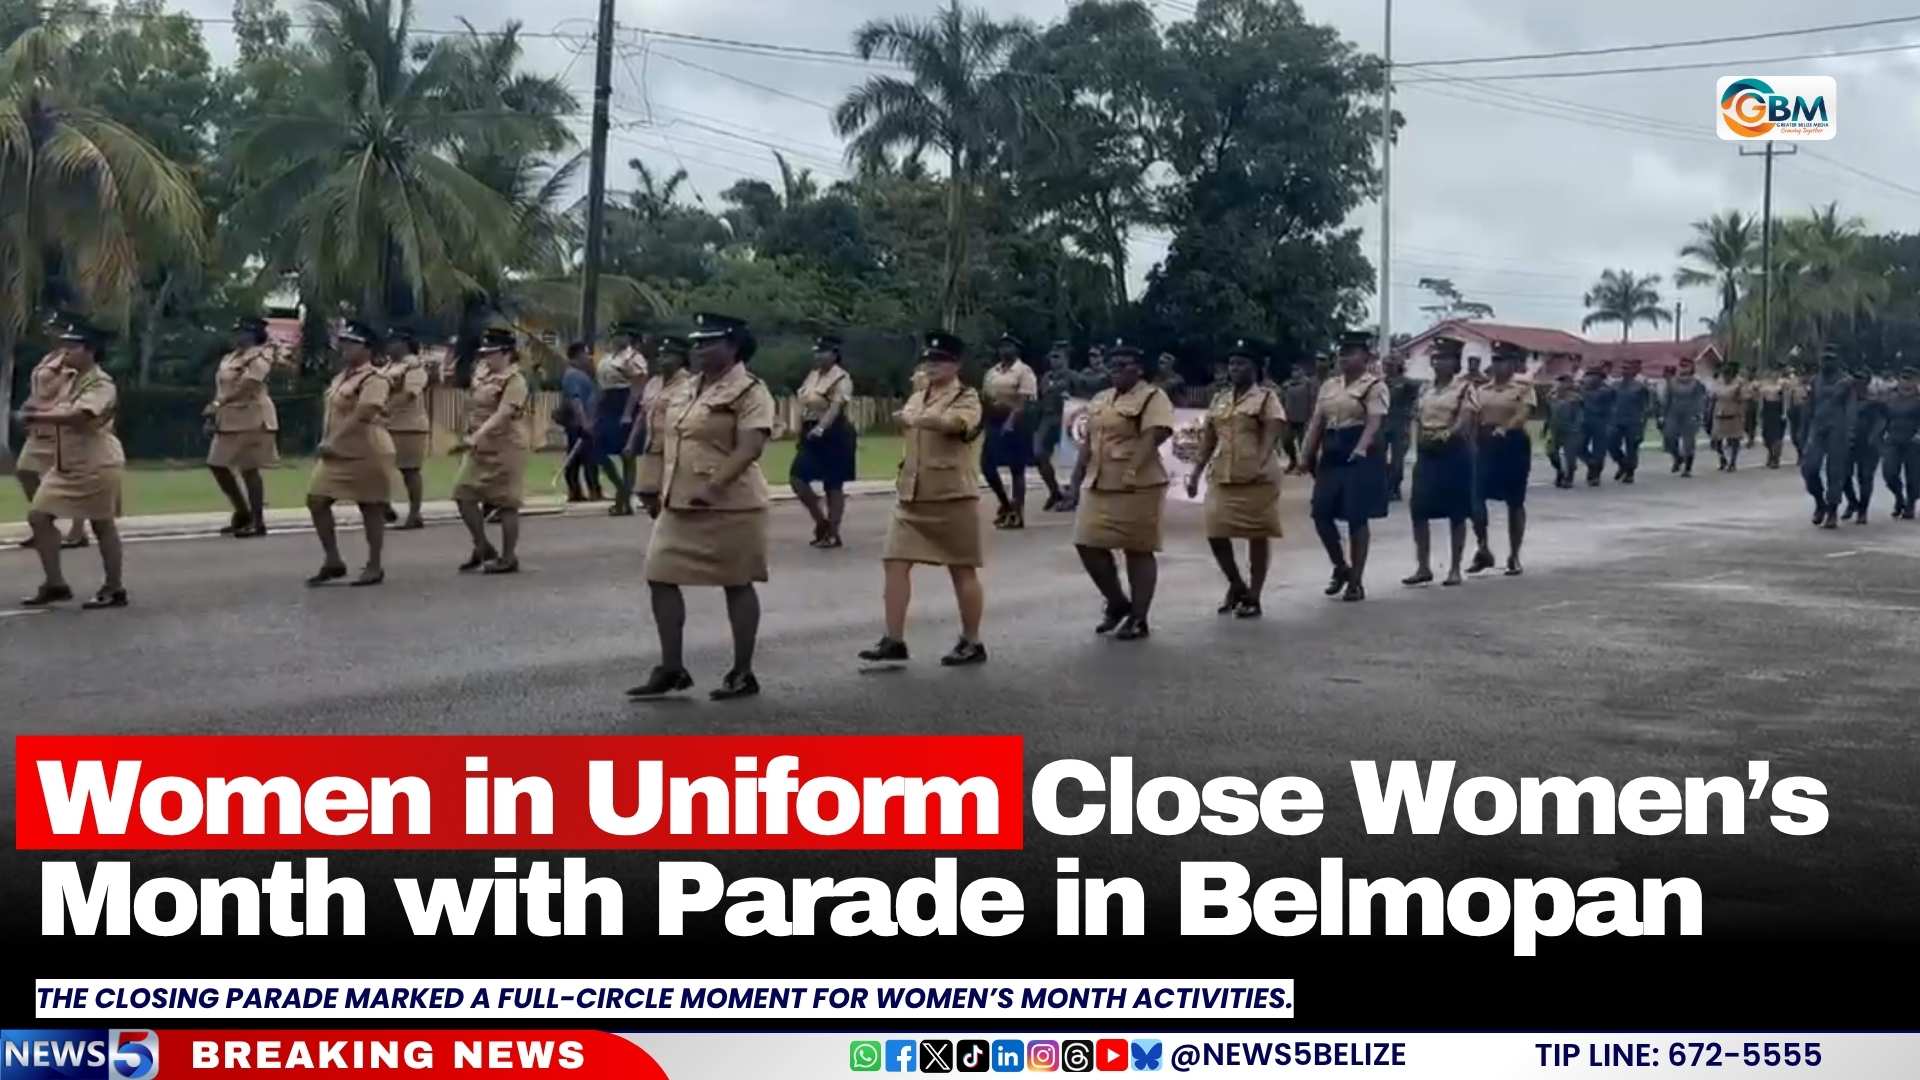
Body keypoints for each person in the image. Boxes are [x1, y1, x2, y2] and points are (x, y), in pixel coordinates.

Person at [629, 313, 776, 701]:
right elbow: (669, 440)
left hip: (732, 506)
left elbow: (750, 447)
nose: (698, 349)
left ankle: (742, 672)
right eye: (696, 342)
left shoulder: (751, 390)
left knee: (737, 583)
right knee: (659, 574)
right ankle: (672, 668)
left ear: (733, 346)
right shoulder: (686, 388)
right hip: (679, 502)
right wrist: (652, 484)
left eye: (708, 342)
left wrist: (714, 487)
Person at [860, 331, 988, 666]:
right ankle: (893, 639)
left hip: (952, 495)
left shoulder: (966, 397)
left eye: (940, 361)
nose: (932, 366)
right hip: (912, 494)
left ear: (956, 365)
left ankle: (972, 640)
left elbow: (957, 425)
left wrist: (919, 419)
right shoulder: (918, 396)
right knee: (894, 561)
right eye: (929, 360)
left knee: (961, 568)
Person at [17, 316, 127, 609]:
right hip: (66, 465)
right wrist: (33, 408)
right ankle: (55, 584)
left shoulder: (101, 384)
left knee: (102, 525)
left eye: (73, 346)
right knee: (39, 517)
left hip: (97, 465)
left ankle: (114, 587)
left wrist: (37, 417)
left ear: (90, 351)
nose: (65, 351)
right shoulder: (69, 379)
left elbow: (80, 416)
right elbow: (53, 404)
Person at [1068, 340, 1175, 639]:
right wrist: (1075, 479)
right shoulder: (1101, 398)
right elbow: (1088, 441)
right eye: (1113, 365)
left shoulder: (1152, 396)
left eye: (1123, 365)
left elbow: (1155, 434)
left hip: (1138, 484)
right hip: (1099, 481)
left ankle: (1139, 618)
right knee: (1086, 542)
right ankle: (1116, 602)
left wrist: (1132, 469)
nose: (1116, 370)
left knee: (1137, 549)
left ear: (1138, 369)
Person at [1186, 339, 1285, 617]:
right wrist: (1195, 473)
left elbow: (1272, 434)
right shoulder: (1220, 399)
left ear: (1255, 368)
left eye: (1241, 363)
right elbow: (1208, 440)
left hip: (1257, 477)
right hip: (1223, 475)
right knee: (1215, 531)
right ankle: (1236, 584)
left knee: (1257, 535)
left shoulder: (1266, 398)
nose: (1235, 368)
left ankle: (1254, 595)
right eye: (1231, 363)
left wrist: (1260, 463)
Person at [1302, 331, 1389, 602]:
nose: (1344, 358)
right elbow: (1317, 422)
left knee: (1356, 516)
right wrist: (1306, 454)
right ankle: (1340, 566)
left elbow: (1374, 422)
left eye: (1351, 352)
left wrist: (1361, 447)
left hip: (1359, 451)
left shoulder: (1374, 386)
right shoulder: (1330, 386)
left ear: (1366, 356)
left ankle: (1356, 582)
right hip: (1333, 449)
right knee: (1321, 512)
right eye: (1341, 352)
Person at [305, 320, 393, 587]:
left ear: (367, 348)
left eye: (352, 343)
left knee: (370, 506)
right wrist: (327, 440)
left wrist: (334, 439)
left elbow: (364, 413)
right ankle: (333, 560)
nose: (345, 348)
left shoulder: (375, 379)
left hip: (367, 450)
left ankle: (374, 564)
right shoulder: (341, 378)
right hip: (336, 452)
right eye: (343, 342)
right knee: (317, 499)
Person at [450, 327, 531, 573]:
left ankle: (508, 557)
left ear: (506, 353)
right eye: (484, 353)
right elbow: (474, 407)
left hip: (506, 447)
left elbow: (503, 413)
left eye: (491, 353)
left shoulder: (515, 380)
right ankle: (483, 546)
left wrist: (477, 435)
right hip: (479, 447)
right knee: (463, 493)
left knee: (507, 503)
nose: (486, 357)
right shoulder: (482, 375)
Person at [1403, 337, 1477, 586]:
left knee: (1457, 512)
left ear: (1455, 362)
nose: (1438, 363)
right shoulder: (1425, 389)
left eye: (1444, 358)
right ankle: (1423, 566)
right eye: (1435, 358)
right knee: (1419, 509)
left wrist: (1449, 433)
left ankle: (1455, 568)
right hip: (1427, 452)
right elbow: (1416, 416)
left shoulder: (1464, 388)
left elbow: (1465, 418)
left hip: (1453, 452)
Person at [204, 316, 284, 538]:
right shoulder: (230, 357)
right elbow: (222, 388)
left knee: (249, 469)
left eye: (242, 332)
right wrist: (214, 414)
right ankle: (242, 512)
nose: (237, 336)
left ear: (253, 335)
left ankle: (257, 521)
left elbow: (250, 384)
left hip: (253, 417)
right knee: (216, 464)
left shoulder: (260, 356)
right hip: (229, 419)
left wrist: (219, 403)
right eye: (236, 331)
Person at [13, 337, 91, 551]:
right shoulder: (49, 358)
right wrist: (29, 405)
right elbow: (39, 390)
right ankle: (45, 525)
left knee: (73, 482)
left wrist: (42, 412)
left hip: (60, 429)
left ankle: (78, 532)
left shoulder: (73, 363)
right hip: (39, 430)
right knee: (25, 471)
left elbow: (70, 395)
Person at [790, 334, 857, 548]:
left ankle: (833, 532)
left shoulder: (841, 378)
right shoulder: (812, 376)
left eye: (823, 352)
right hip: (810, 431)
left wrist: (821, 428)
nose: (818, 356)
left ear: (835, 354)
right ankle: (821, 521)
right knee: (797, 478)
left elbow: (836, 408)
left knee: (833, 483)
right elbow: (803, 403)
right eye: (816, 352)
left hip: (834, 433)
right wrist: (799, 429)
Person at [1473, 342, 1533, 577]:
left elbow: (1523, 413)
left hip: (1512, 444)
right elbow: (1474, 414)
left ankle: (1514, 555)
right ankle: (1483, 548)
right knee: (1475, 498)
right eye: (1496, 360)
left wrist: (1506, 428)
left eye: (1504, 361)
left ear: (1513, 364)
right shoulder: (1482, 389)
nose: (1499, 365)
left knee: (1514, 501)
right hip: (1485, 443)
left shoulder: (1523, 388)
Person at [979, 333, 1038, 529]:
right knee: (987, 465)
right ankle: (1005, 503)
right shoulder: (992, 372)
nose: (1004, 350)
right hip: (994, 421)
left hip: (1017, 422)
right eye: (1002, 346)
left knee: (1016, 468)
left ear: (1016, 349)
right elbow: (985, 398)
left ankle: (1017, 512)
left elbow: (1023, 401)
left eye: (1009, 346)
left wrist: (1011, 422)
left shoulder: (1023, 371)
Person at [628, 336, 691, 519]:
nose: (662, 360)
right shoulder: (653, 383)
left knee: (673, 493)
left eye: (668, 356)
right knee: (645, 491)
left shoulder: (689, 384)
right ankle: (661, 520)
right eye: (661, 355)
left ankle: (670, 524)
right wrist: (631, 442)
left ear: (681, 358)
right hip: (653, 445)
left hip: (676, 447)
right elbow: (642, 413)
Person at [381, 326, 432, 529]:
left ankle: (415, 514)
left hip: (409, 427)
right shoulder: (389, 366)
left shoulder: (415, 367)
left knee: (410, 471)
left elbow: (409, 394)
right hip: (386, 425)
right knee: (377, 467)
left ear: (404, 345)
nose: (389, 346)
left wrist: (384, 409)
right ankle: (384, 506)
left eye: (393, 342)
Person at [597, 323, 648, 516]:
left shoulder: (634, 357)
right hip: (607, 403)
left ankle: (623, 501)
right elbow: (602, 386)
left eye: (622, 335)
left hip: (625, 401)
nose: (617, 338)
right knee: (597, 450)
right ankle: (622, 490)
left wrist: (627, 413)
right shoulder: (607, 357)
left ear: (629, 337)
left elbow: (637, 386)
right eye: (615, 334)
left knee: (628, 455)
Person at [1801, 349, 1854, 528]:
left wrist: (1850, 433)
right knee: (1809, 469)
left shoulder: (1846, 382)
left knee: (1835, 472)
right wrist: (1803, 433)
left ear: (1837, 361)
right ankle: (1819, 502)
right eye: (1824, 359)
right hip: (1818, 428)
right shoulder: (1815, 381)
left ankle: (1832, 510)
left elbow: (1851, 409)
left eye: (1830, 359)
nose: (1826, 363)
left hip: (1838, 430)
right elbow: (1809, 407)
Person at [559, 342, 610, 502]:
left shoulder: (581, 375)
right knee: (586, 458)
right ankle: (588, 490)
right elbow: (576, 400)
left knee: (579, 458)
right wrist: (584, 422)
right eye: (586, 354)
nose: (589, 358)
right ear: (578, 355)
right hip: (579, 424)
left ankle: (579, 491)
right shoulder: (573, 375)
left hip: (583, 423)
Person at [1839, 370, 1886, 525]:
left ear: (1867, 382)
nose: (1858, 383)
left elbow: (1882, 421)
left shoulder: (1874, 403)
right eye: (1856, 380)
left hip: (1869, 445)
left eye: (1862, 380)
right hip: (1848, 443)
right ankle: (1852, 502)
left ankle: (1863, 510)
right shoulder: (1844, 402)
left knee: (1865, 477)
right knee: (1843, 476)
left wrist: (1874, 436)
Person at [1034, 342, 1075, 511]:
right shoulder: (1046, 377)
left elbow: (1083, 394)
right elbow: (1042, 396)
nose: (1053, 360)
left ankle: (1072, 494)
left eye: (1057, 356)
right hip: (1048, 418)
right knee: (1038, 453)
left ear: (1066, 359)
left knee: (1072, 458)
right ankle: (1054, 490)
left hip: (1067, 419)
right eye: (1051, 357)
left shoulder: (1073, 376)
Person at [1880, 366, 1919, 520]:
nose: (1906, 382)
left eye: (1910, 379)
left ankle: (1910, 504)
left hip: (1914, 441)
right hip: (1893, 439)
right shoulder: (1891, 397)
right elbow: (1882, 416)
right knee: (1889, 473)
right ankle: (1899, 496)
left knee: (1914, 476)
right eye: (1904, 378)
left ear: (1916, 381)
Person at [1661, 358, 1710, 478]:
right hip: (1673, 413)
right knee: (1669, 437)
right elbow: (1667, 398)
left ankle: (1688, 468)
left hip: (1690, 414)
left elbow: (1701, 400)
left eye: (1686, 366)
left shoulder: (1697, 383)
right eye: (1682, 365)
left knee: (1689, 442)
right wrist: (1663, 414)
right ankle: (1677, 457)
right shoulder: (1672, 382)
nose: (1684, 368)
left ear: (1692, 368)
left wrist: (1699, 414)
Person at [1381, 353, 1419, 503]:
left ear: (1398, 366)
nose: (1387, 368)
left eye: (1391, 365)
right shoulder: (1380, 383)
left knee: (1398, 461)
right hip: (1383, 424)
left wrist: (1412, 411)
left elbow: (1417, 396)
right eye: (1385, 365)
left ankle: (1395, 486)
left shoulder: (1407, 383)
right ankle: (1387, 487)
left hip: (1400, 424)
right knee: (1379, 458)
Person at [1609, 358, 1653, 482]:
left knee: (1632, 448)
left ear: (1633, 371)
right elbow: (1609, 401)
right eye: (1623, 368)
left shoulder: (1640, 387)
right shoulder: (1615, 386)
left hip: (1633, 421)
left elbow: (1647, 406)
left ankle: (1630, 473)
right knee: (1611, 445)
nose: (1624, 371)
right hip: (1617, 420)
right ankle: (1622, 463)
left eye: (1627, 368)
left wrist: (1643, 422)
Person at [1578, 366, 1616, 487]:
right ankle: (1591, 463)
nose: (1589, 378)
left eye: (1593, 376)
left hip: (1601, 422)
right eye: (1588, 376)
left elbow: (1611, 407)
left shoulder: (1606, 391)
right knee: (1579, 446)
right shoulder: (1581, 389)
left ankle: (1595, 474)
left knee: (1599, 451)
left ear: (1600, 378)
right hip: (1584, 422)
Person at [1278, 361, 1319, 475]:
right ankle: (1293, 461)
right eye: (1293, 370)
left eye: (1298, 370)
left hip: (1304, 418)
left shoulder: (1308, 384)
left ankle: (1309, 466)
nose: (1295, 373)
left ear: (1303, 371)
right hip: (1289, 418)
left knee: (1305, 445)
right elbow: (1281, 401)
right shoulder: (1286, 385)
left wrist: (1312, 417)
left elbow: (1313, 400)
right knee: (1286, 441)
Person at [1709, 362, 1750, 471]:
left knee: (1735, 439)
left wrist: (1738, 397)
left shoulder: (1740, 383)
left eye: (1729, 374)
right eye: (1725, 373)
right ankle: (1722, 458)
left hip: (1734, 413)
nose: (1726, 376)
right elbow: (1712, 395)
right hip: (1719, 412)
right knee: (1717, 439)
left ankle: (1732, 462)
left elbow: (1745, 397)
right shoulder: (1718, 381)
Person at [1545, 373, 1583, 488]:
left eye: (1564, 381)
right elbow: (1549, 413)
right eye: (1560, 381)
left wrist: (1576, 428)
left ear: (1570, 383)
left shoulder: (1575, 399)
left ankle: (1569, 478)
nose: (1561, 384)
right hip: (1555, 430)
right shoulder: (1551, 397)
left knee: (1570, 456)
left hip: (1570, 431)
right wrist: (1546, 427)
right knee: (1552, 454)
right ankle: (1560, 471)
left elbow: (1579, 416)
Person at [1757, 370, 1792, 469]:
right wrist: (1760, 413)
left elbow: (1785, 400)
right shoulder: (1764, 388)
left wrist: (1784, 413)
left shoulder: (1781, 387)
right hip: (1767, 411)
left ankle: (1775, 458)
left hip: (1777, 411)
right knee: (1766, 437)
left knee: (1777, 437)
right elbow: (1761, 401)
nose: (1774, 376)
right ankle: (1770, 453)